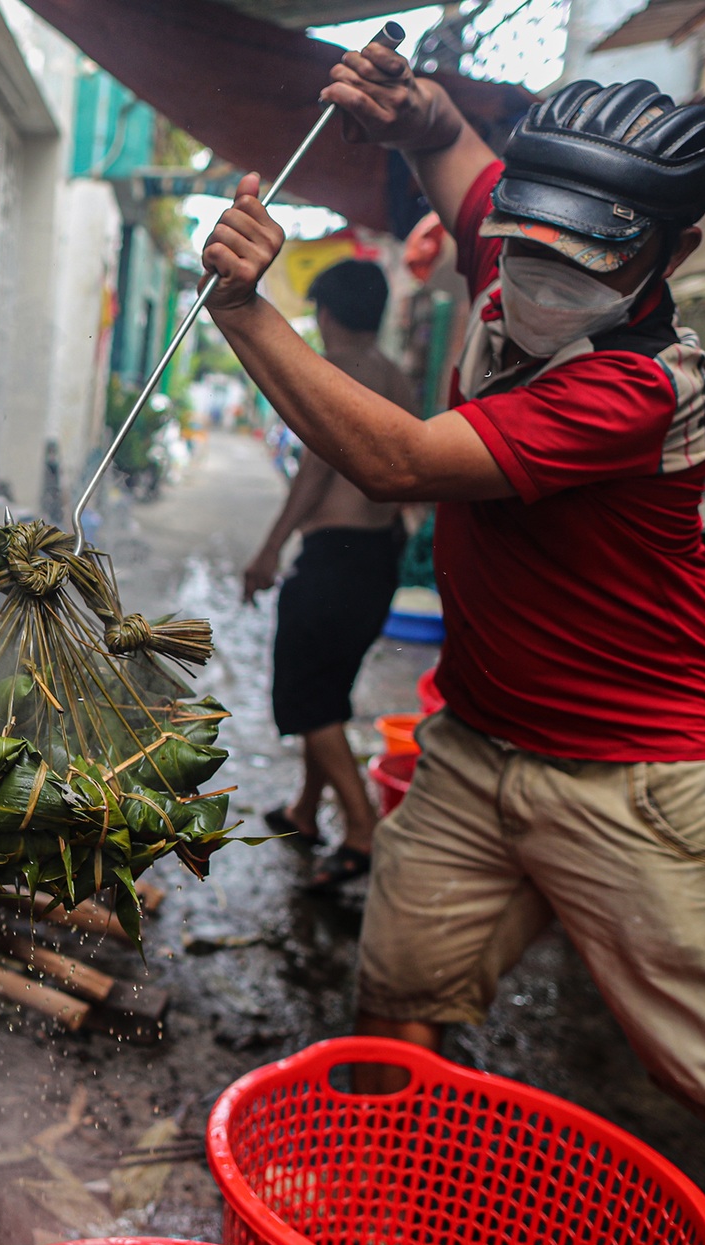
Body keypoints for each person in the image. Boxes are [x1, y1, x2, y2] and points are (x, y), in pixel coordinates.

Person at [199, 62, 705, 1245]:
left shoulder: (639, 388)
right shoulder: (542, 222)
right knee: (397, 999)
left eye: (579, 252)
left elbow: (396, 458)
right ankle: (384, 1239)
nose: (530, 268)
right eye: (519, 232)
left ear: (670, 250)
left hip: (642, 775)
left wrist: (245, 311)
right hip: (478, 744)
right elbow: (454, 157)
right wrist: (418, 108)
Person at [242, 260, 412, 887]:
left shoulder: (334, 373)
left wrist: (267, 552)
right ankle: (305, 811)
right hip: (377, 558)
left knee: (306, 699)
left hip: (334, 556)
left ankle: (362, 831)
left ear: (327, 313)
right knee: (328, 692)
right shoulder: (395, 375)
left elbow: (314, 476)